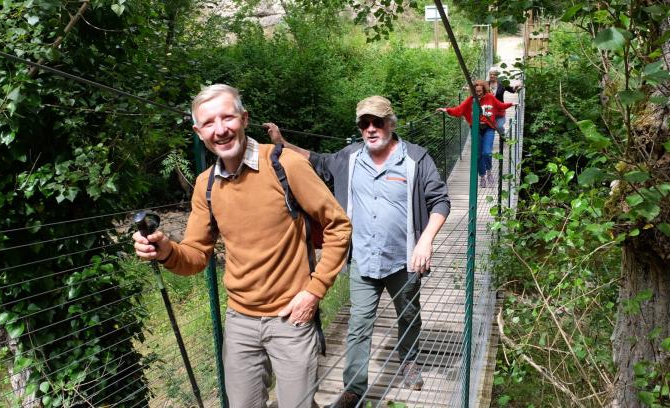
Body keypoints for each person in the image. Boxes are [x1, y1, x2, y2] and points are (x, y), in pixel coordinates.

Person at [133, 84, 352, 408]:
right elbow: (195, 257)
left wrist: (315, 290)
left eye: (227, 117)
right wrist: (166, 249)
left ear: (244, 118)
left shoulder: (285, 165)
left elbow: (339, 225)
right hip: (240, 323)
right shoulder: (206, 185)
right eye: (209, 123)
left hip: (293, 317)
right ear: (198, 131)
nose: (220, 129)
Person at [265, 96, 451, 408]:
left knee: (408, 314)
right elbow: (318, 162)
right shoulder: (350, 157)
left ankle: (409, 360)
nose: (371, 128)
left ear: (391, 123)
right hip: (364, 260)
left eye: (377, 122)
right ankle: (354, 389)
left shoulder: (415, 159)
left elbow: (440, 200)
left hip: (404, 260)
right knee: (359, 325)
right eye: (364, 123)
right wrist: (283, 143)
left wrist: (426, 240)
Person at [437, 80, 514, 188]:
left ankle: (489, 172)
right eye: (476, 91)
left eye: (480, 91)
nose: (478, 93)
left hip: (488, 128)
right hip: (476, 129)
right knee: (478, 155)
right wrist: (446, 110)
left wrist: (511, 104)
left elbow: (500, 105)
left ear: (484, 90)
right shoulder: (471, 100)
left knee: (486, 152)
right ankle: (482, 177)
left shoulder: (490, 97)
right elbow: (459, 110)